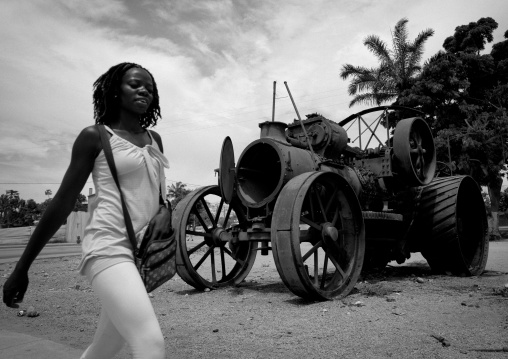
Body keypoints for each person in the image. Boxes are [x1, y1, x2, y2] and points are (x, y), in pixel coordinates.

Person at [3, 62, 171, 359]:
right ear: (115, 91)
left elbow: (159, 195)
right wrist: (22, 266)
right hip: (107, 247)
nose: (144, 89)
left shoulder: (154, 139)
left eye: (150, 87)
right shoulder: (95, 136)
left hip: (140, 252)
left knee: (107, 346)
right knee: (150, 343)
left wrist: (164, 211)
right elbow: (63, 203)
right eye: (135, 84)